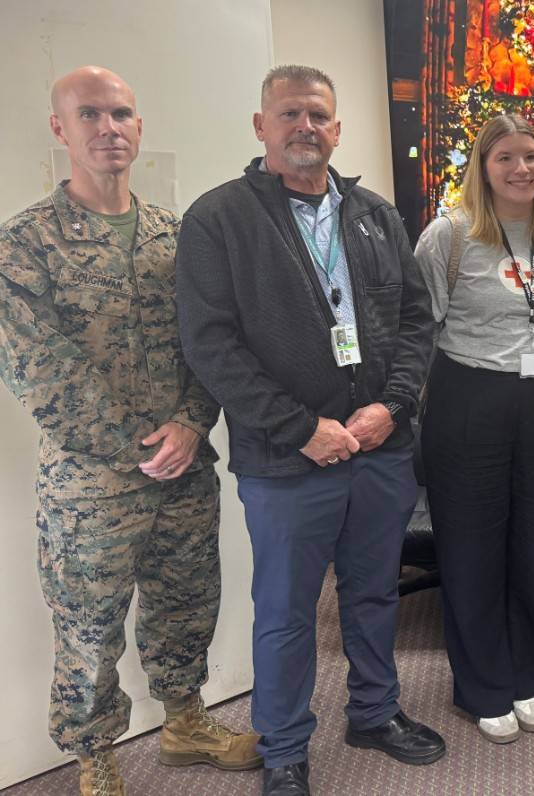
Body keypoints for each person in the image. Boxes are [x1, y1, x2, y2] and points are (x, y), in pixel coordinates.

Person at [175, 65, 442, 795]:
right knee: (288, 612)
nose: (306, 128)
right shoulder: (219, 219)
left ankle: (375, 711)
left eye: (319, 115)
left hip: (379, 448)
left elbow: (416, 323)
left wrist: (392, 406)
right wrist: (300, 429)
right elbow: (211, 345)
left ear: (337, 129)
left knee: (373, 594)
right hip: (286, 461)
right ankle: (286, 748)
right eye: (290, 114)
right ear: (261, 126)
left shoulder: (376, 216)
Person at [0, 66, 259, 796]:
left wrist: (189, 423)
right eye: (90, 115)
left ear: (139, 127)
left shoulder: (174, 238)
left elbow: (210, 343)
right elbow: (38, 370)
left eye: (122, 114)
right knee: (88, 628)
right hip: (91, 488)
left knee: (187, 603)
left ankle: (184, 724)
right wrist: (136, 448)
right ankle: (94, 758)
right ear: (61, 129)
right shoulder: (23, 245)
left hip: (184, 469)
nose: (108, 128)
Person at [414, 114, 534, 744]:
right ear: (482, 167)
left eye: (531, 157)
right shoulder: (448, 236)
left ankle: (530, 673)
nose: (521, 170)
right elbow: (418, 331)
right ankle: (481, 684)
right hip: (467, 398)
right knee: (473, 547)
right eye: (505, 158)